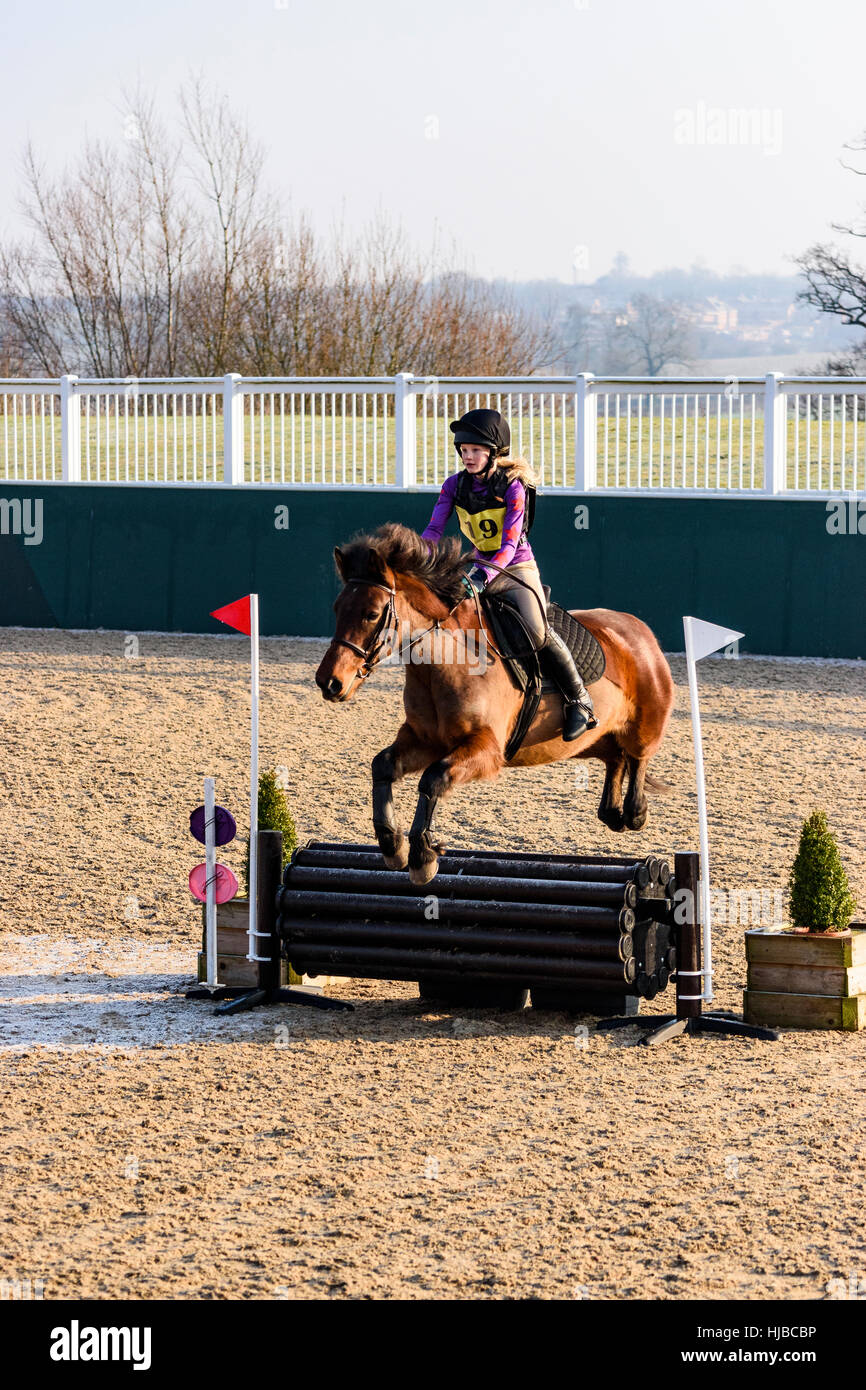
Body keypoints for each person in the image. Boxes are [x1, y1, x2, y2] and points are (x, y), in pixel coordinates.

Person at [421, 407, 596, 740]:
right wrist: (415, 558)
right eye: (463, 450)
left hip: (516, 567)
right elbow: (433, 530)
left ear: (492, 451)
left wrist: (480, 578)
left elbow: (509, 545)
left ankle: (579, 699)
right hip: (478, 565)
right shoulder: (453, 486)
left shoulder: (513, 486)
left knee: (536, 630)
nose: (467, 456)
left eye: (475, 450)